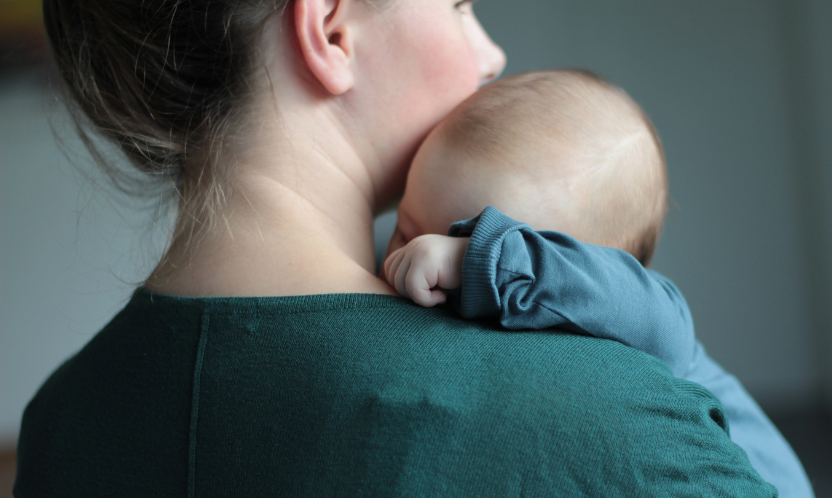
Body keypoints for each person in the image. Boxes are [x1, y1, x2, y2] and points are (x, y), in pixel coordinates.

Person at [17, 0, 775, 496]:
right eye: (456, 3)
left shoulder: (58, 422)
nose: (491, 53)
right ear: (331, 30)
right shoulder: (620, 421)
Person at [383, 70, 813, 497]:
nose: (420, 263)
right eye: (405, 229)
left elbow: (665, 322)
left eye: (453, 248)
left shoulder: (648, 313)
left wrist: (483, 260)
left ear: (595, 267)